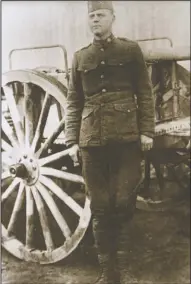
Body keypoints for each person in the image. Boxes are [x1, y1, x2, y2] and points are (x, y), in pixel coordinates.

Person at [65, 1, 155, 283]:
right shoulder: (81, 58)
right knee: (100, 206)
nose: (95, 20)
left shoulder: (130, 51)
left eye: (100, 15)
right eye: (91, 16)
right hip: (91, 142)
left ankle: (124, 268)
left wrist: (147, 132)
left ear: (112, 18)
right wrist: (71, 140)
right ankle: (108, 271)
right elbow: (73, 101)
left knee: (124, 202)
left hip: (127, 140)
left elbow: (145, 93)